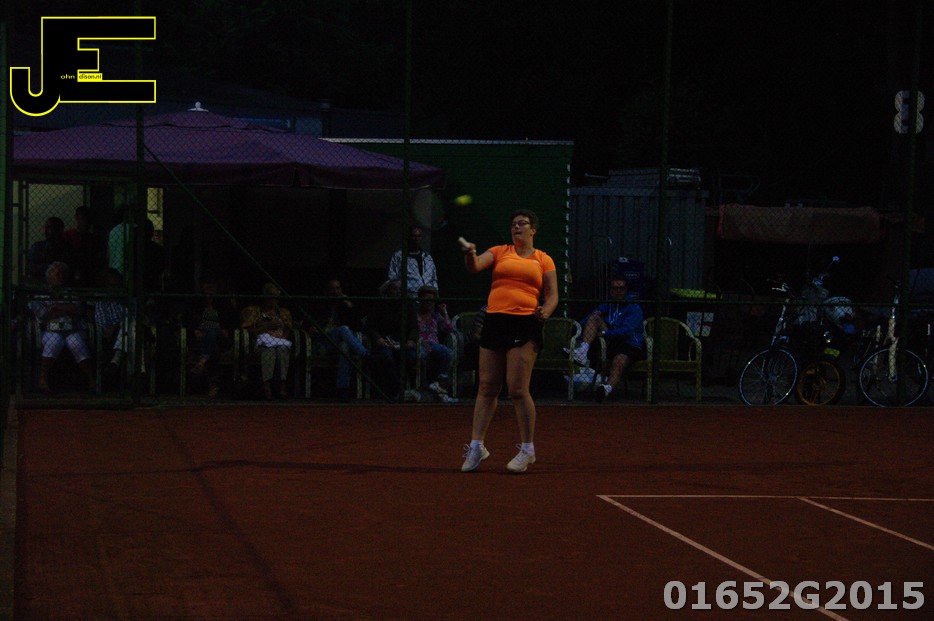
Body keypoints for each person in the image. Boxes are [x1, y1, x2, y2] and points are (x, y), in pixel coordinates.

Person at [459, 210, 559, 473]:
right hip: (495, 322)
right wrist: (470, 254)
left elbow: (552, 295)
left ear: (533, 229)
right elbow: (475, 266)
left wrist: (546, 311)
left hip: (525, 324)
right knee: (487, 386)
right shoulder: (499, 251)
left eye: (522, 223)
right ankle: (476, 446)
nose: (516, 227)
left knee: (517, 389)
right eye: (513, 224)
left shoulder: (543, 259)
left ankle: (527, 450)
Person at [567, 275, 645, 403]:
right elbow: (586, 320)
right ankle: (582, 351)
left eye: (621, 288)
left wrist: (604, 333)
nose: (618, 291)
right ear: (611, 291)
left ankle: (606, 388)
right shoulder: (607, 305)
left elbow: (627, 331)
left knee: (619, 361)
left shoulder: (634, 308)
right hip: (610, 342)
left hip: (629, 344)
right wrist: (577, 329)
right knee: (594, 317)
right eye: (615, 288)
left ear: (626, 290)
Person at [28, 261, 95, 393]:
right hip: (50, 329)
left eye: (63, 274)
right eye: (57, 274)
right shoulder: (42, 294)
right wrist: (65, 309)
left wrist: (56, 307)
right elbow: (42, 315)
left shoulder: (70, 292)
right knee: (54, 342)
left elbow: (78, 309)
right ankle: (43, 379)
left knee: (76, 343)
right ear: (49, 277)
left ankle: (92, 379)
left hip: (73, 329)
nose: (61, 277)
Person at [308, 278, 370, 398]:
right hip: (323, 341)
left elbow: (359, 326)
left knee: (344, 347)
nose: (335, 291)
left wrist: (349, 306)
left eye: (338, 288)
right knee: (343, 329)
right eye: (332, 289)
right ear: (327, 291)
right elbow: (307, 320)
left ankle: (342, 389)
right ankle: (365, 354)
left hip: (339, 342)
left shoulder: (344, 306)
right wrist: (311, 327)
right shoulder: (320, 304)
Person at [184, 275, 239, 399]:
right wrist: (195, 330)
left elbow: (234, 320)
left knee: (212, 333)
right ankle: (212, 385)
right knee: (214, 348)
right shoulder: (195, 302)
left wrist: (226, 328)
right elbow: (187, 319)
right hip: (201, 338)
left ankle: (202, 362)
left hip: (221, 337)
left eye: (213, 285)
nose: (210, 288)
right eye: (207, 285)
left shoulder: (223, 302)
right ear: (202, 287)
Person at [240, 282, 293, 400]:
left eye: (275, 297)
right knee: (269, 351)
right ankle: (266, 385)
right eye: (270, 296)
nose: (273, 300)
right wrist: (266, 326)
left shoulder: (283, 312)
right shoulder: (253, 311)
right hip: (260, 343)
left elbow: (288, 330)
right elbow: (247, 330)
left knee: (283, 349)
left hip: (279, 341)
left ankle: (282, 384)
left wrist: (282, 338)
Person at [410, 285, 457, 403]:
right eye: (426, 300)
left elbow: (449, 328)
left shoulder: (436, 315)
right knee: (421, 355)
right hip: (419, 344)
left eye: (432, 300)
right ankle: (423, 390)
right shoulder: (414, 315)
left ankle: (440, 388)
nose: (429, 303)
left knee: (447, 353)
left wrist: (444, 312)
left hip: (434, 345)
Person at [386, 224, 438, 299]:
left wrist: (435, 294)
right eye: (414, 236)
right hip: (409, 296)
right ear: (409, 237)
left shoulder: (427, 257)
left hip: (427, 298)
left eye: (419, 236)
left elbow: (434, 278)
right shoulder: (399, 256)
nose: (416, 239)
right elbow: (392, 277)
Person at [94, 267, 128, 379]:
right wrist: (120, 325)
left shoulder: (128, 301)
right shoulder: (102, 304)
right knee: (130, 328)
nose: (116, 289)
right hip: (115, 337)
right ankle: (137, 374)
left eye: (118, 286)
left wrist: (118, 325)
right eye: (113, 286)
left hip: (131, 332)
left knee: (131, 326)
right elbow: (106, 331)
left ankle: (115, 362)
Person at [26, 216, 76, 283]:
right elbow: (30, 267)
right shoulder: (37, 247)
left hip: (62, 283)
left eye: (50, 227)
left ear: (59, 230)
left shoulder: (68, 248)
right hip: (41, 283)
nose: (46, 231)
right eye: (46, 227)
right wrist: (50, 268)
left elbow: (71, 268)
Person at [63, 206, 104, 286]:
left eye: (88, 219)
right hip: (73, 268)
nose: (86, 222)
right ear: (77, 218)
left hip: (88, 269)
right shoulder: (69, 235)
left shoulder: (93, 238)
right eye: (83, 218)